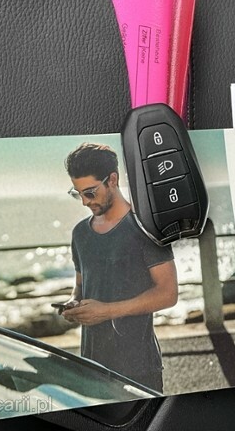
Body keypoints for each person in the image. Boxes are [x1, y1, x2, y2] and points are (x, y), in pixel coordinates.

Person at [60, 142, 178, 392]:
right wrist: (73, 303)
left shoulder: (146, 228)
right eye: (77, 193)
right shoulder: (80, 233)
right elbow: (80, 285)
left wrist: (107, 311)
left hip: (138, 368)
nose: (84, 202)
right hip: (92, 366)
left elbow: (168, 293)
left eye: (90, 192)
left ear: (112, 180)